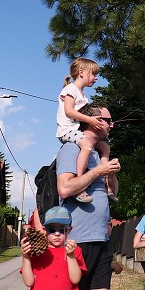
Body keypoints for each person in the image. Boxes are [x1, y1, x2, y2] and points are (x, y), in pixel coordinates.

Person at [56, 102, 129, 290]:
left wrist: (109, 171)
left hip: (100, 241)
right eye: (107, 120)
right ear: (92, 120)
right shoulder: (70, 150)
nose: (111, 125)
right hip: (76, 242)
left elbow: (113, 192)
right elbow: (65, 188)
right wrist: (98, 169)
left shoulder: (100, 153)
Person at [56, 57, 117, 203]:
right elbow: (69, 111)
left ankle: (107, 181)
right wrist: (90, 120)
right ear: (81, 72)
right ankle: (79, 183)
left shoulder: (83, 95)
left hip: (76, 129)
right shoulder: (70, 89)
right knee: (87, 145)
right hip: (67, 130)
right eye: (93, 74)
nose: (96, 78)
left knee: (105, 147)